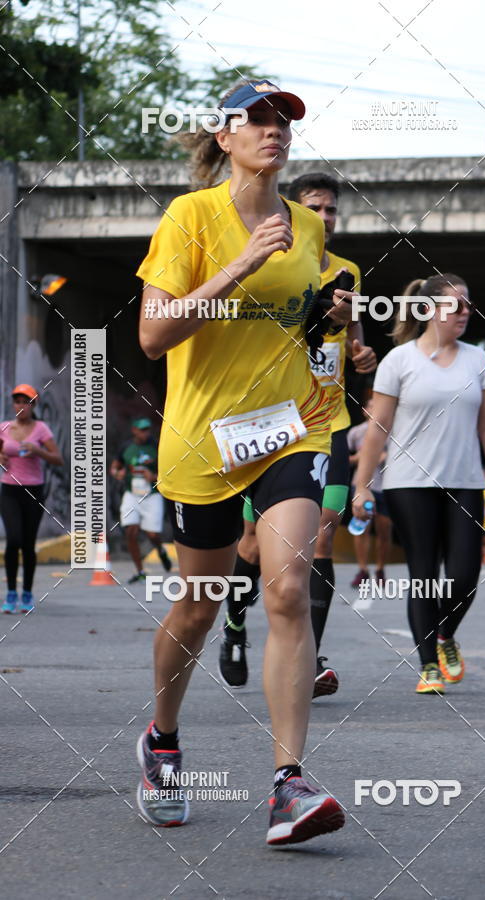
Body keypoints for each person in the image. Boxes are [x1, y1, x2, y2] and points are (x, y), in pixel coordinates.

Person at [136, 79, 353, 842]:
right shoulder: (190, 217)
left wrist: (327, 321)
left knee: (289, 587)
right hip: (205, 439)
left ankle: (289, 784)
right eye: (256, 120)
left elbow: (297, 329)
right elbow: (154, 336)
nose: (274, 130)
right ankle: (162, 740)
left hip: (290, 428)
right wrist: (241, 265)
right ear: (224, 137)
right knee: (199, 605)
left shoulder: (307, 225)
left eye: (283, 119)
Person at [218, 172, 377, 696]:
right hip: (273, 421)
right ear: (292, 212)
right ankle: (235, 624)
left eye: (331, 210)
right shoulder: (275, 262)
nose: (324, 218)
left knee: (322, 534)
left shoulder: (349, 271)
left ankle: (306, 660)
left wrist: (361, 354)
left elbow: (352, 337)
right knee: (250, 541)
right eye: (315, 208)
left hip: (327, 423)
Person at [353, 274, 485, 694]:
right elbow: (377, 429)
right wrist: (362, 486)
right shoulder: (399, 360)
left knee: (465, 574)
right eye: (456, 305)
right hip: (408, 482)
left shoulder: (478, 359)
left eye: (468, 305)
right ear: (428, 310)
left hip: (465, 481)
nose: (465, 312)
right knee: (424, 572)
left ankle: (445, 634)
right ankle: (429, 664)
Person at [0, 384, 63, 613]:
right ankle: (10, 593)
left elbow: (58, 459)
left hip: (34, 491)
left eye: (26, 402)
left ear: (33, 405)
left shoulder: (41, 429)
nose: (21, 406)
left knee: (28, 543)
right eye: (17, 401)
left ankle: (26, 593)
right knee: (13, 539)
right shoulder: (4, 427)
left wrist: (38, 451)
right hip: (10, 490)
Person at [110, 417, 172, 583]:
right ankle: (140, 571)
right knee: (131, 530)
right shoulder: (126, 447)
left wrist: (154, 476)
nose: (145, 433)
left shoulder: (156, 446)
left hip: (152, 495)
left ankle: (160, 549)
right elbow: (115, 466)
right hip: (131, 494)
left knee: (152, 534)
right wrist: (117, 473)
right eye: (142, 430)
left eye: (147, 430)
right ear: (134, 431)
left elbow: (169, 471)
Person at [347, 395, 392, 588]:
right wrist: (361, 457)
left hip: (385, 486)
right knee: (361, 529)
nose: (374, 409)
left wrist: (386, 455)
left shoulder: (391, 431)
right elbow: (344, 459)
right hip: (361, 486)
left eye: (377, 406)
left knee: (384, 531)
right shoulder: (356, 432)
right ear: (364, 411)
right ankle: (363, 570)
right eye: (370, 406)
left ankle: (380, 569)